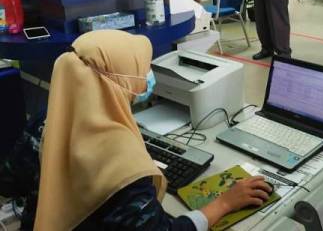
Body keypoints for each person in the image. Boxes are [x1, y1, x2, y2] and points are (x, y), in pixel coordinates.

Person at [34, 30, 272, 231]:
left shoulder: (45, 125)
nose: (147, 75)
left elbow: (10, 182)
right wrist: (224, 204)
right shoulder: (120, 160)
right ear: (116, 81)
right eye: (140, 68)